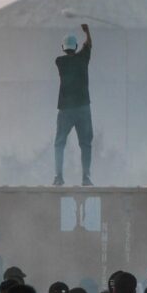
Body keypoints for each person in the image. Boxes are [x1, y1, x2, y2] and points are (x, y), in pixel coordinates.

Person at [53, 23, 94, 186]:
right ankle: (86, 177)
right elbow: (89, 45)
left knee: (59, 143)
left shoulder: (59, 62)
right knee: (85, 144)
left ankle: (58, 177)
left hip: (65, 110)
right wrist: (87, 31)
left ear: (63, 48)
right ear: (76, 46)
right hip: (83, 108)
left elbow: (79, 50)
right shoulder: (83, 59)